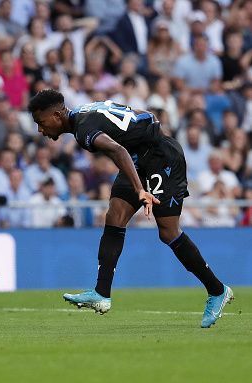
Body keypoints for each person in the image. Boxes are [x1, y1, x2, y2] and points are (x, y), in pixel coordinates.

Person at [28, 89, 233, 328]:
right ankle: (101, 293)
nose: (41, 130)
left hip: (161, 157)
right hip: (138, 158)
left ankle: (217, 290)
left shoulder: (83, 129)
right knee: (114, 215)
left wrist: (139, 189)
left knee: (168, 232)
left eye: (41, 123)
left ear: (56, 115)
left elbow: (118, 150)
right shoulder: (85, 111)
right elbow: (142, 116)